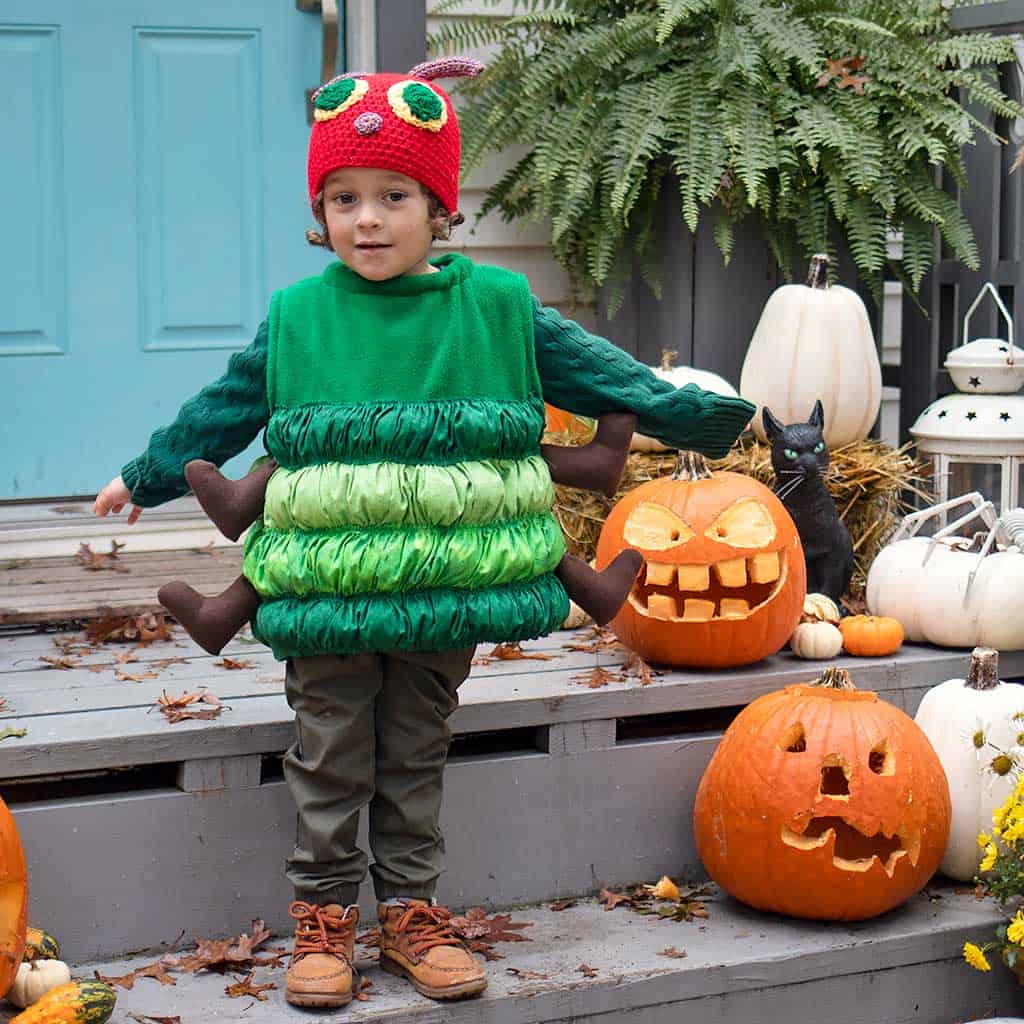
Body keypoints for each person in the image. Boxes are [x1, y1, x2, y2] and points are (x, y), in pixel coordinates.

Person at [93, 57, 755, 1011]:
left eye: (394, 195)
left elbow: (606, 377)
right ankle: (323, 918)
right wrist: (146, 474)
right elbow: (222, 410)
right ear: (320, 210)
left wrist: (714, 418)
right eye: (345, 197)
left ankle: (410, 911)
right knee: (329, 747)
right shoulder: (299, 317)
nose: (368, 219)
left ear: (441, 207)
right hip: (329, 593)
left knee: (414, 748)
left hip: (445, 585)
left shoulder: (495, 310)